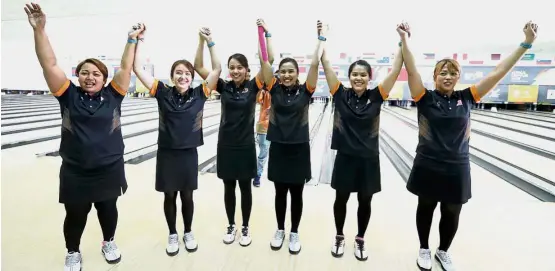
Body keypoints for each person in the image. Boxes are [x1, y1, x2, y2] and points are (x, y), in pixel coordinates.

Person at [400, 21, 538, 271]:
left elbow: (497, 73)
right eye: (443, 72)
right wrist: (405, 40)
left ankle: (443, 251)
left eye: (453, 73)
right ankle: (424, 247)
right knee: (426, 207)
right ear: (435, 77)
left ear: (458, 77)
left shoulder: (467, 97)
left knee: (452, 212)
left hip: (457, 166)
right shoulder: (424, 97)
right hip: (428, 163)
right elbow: (410, 71)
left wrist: (525, 44)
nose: (448, 76)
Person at [25, 3, 135, 270]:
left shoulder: (114, 95)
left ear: (104, 78)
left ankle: (108, 241)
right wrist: (40, 29)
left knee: (108, 211)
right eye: (84, 72)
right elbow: (48, 62)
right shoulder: (68, 95)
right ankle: (72, 251)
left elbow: (125, 66)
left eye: (96, 73)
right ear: (77, 76)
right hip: (76, 171)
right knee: (75, 214)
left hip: (109, 169)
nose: (90, 76)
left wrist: (131, 40)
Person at [132, 25, 221, 256]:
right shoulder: (162, 91)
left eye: (187, 74)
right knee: (169, 195)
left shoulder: (200, 93)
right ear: (172, 76)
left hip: (188, 153)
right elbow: (137, 67)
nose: (183, 76)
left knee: (187, 196)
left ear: (191, 78)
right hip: (167, 153)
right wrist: (139, 40)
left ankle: (188, 231)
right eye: (179, 72)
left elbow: (217, 68)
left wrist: (208, 42)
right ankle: (173, 233)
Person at [321, 23, 405, 261]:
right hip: (345, 158)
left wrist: (401, 40)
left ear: (369, 77)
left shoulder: (377, 95)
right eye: (354, 74)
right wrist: (322, 38)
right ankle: (339, 235)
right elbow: (326, 65)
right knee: (341, 199)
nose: (358, 78)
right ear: (349, 77)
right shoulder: (340, 93)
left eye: (362, 74)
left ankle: (360, 238)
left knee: (364, 201)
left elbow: (397, 68)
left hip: (369, 159)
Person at [194, 19, 274, 247]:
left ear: (247, 70)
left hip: (246, 146)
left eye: (240, 67)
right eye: (232, 67)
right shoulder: (224, 86)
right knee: (228, 187)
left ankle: (245, 226)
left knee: (245, 188)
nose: (235, 70)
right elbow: (199, 67)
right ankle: (231, 224)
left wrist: (264, 36)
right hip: (226, 146)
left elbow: (268, 64)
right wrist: (205, 42)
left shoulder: (254, 85)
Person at [259, 20, 324, 255]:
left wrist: (321, 37)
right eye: (283, 71)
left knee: (296, 194)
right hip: (278, 147)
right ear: (279, 74)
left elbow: (316, 63)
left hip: (298, 150)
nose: (286, 75)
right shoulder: (273, 88)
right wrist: (266, 34)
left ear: (297, 74)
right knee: (279, 193)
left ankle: (294, 231)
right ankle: (280, 229)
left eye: (291, 71)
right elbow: (265, 61)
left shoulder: (306, 90)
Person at [254, 77, 272, 187]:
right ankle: (258, 175)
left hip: (278, 127)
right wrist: (261, 88)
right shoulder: (264, 93)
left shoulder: (282, 93)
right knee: (263, 153)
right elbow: (257, 100)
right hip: (264, 126)